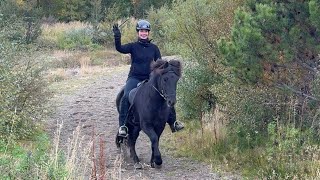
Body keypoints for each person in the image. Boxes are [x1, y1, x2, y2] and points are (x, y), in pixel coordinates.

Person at [113, 19, 184, 137]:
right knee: (126, 96)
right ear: (138, 32)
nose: (143, 33)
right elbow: (119, 48)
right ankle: (123, 126)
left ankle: (173, 122)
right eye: (141, 31)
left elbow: (159, 64)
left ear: (148, 33)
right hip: (135, 78)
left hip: (150, 78)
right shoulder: (133, 46)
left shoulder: (154, 48)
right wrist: (117, 36)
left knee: (167, 94)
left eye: (145, 31)